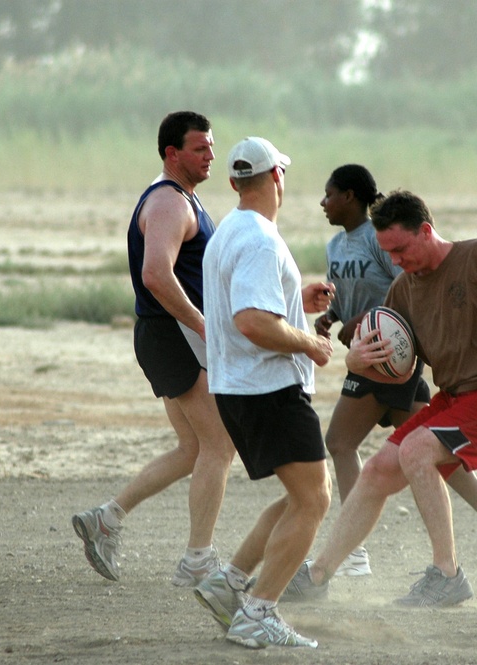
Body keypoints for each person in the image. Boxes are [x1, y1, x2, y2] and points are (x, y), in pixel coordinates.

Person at [285, 189, 477, 607]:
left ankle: (446, 574)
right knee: (376, 469)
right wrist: (357, 361)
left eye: (400, 249)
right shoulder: (404, 290)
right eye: (387, 252)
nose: (395, 260)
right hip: (456, 398)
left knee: (415, 451)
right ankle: (317, 576)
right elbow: (399, 368)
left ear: (426, 231)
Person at [71, 111, 236, 586]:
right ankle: (199, 560)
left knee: (193, 448)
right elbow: (155, 274)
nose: (210, 155)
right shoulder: (168, 202)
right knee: (219, 445)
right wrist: (203, 325)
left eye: (211, 146)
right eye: (200, 148)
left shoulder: (186, 198)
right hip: (174, 335)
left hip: (166, 335)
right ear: (172, 153)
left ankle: (107, 518)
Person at [192, 136, 336, 649]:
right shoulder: (260, 239)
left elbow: (245, 307)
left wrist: (297, 301)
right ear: (276, 176)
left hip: (238, 386)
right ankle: (258, 611)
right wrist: (312, 345)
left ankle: (227, 584)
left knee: (302, 495)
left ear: (234, 182)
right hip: (267, 388)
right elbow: (253, 322)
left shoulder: (230, 229)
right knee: (315, 499)